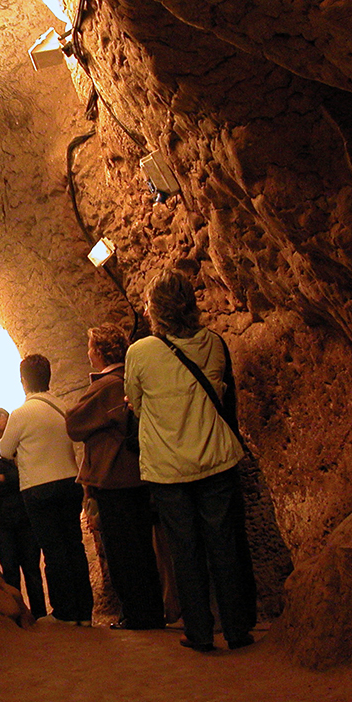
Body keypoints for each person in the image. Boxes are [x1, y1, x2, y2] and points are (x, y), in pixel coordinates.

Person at [124, 269, 256, 652]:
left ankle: (199, 631)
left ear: (154, 310)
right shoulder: (214, 343)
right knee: (225, 546)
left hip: (169, 470)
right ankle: (237, 628)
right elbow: (225, 392)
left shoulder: (141, 352)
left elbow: (135, 400)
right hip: (216, 460)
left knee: (186, 552)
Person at [65, 324, 165, 630]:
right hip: (139, 475)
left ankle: (138, 614)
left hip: (116, 478)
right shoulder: (131, 378)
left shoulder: (108, 384)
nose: (88, 352)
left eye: (90, 347)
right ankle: (150, 610)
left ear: (98, 352)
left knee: (124, 551)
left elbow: (74, 423)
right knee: (142, 548)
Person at [0, 354, 93, 625]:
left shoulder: (21, 413)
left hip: (38, 488)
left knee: (54, 551)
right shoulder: (64, 407)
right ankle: (85, 612)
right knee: (74, 547)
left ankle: (64, 612)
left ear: (23, 381)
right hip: (70, 482)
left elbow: (5, 450)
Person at [0, 407, 47, 618]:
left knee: (32, 570)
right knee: (10, 571)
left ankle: (40, 616)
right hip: (0, 521)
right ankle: (20, 617)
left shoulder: (20, 448)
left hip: (25, 518)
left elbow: (27, 477)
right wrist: (12, 478)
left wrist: (4, 478)